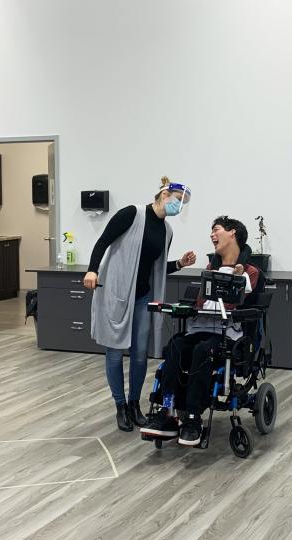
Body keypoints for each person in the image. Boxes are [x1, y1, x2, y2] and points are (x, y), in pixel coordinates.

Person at [85, 177, 197, 432]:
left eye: (183, 205)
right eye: (177, 201)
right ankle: (120, 406)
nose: (179, 207)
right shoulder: (132, 214)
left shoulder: (166, 231)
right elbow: (102, 242)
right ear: (164, 194)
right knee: (114, 351)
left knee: (139, 353)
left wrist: (179, 264)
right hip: (116, 292)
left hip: (142, 296)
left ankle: (135, 404)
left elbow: (156, 268)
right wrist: (92, 270)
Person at [141, 216, 260, 446]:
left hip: (226, 334)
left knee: (203, 351)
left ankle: (194, 417)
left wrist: (237, 273)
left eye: (216, 230)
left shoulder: (251, 271)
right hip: (200, 327)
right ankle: (167, 410)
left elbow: (245, 294)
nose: (212, 235)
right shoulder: (209, 268)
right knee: (175, 346)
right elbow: (200, 303)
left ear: (232, 232)